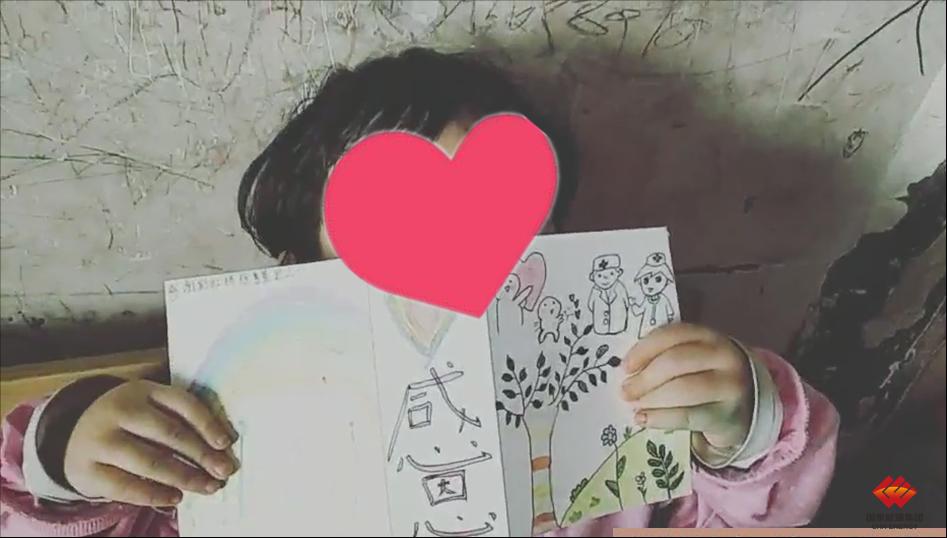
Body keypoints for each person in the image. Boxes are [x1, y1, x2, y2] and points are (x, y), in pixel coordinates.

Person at [1, 47, 839, 537]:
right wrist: (70, 450)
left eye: (503, 219)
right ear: (299, 266)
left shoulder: (618, 400)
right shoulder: (228, 408)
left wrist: (741, 422)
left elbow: (751, 518)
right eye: (391, 227)